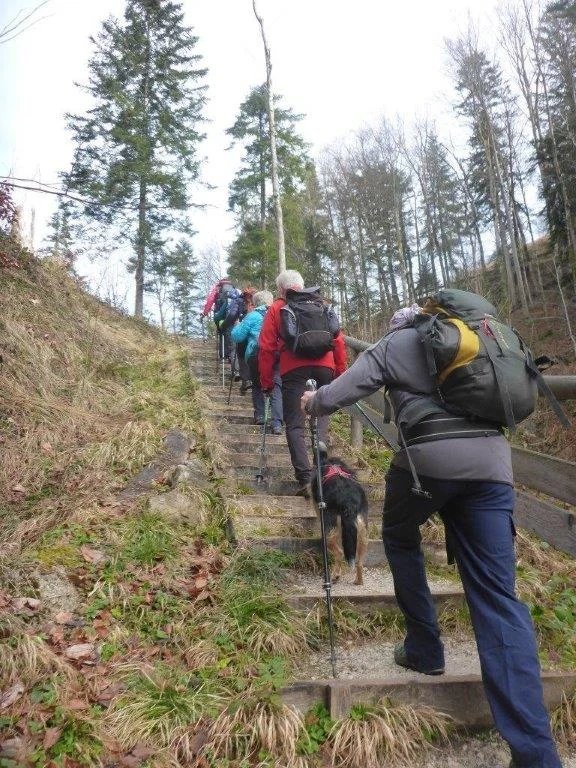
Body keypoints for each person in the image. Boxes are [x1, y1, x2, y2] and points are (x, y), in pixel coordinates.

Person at [300, 305, 563, 768]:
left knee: (399, 535)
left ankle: (425, 647)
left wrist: (312, 403)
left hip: (426, 464)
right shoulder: (477, 340)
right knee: (499, 597)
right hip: (492, 468)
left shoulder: (397, 342)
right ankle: (536, 753)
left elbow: (345, 387)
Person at [258, 269, 346, 497]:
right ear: (302, 285)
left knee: (295, 425)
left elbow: (266, 347)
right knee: (321, 418)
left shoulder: (278, 307)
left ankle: (306, 480)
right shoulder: (321, 304)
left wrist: (266, 382)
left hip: (293, 368)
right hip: (325, 366)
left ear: (281, 289)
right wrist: (340, 373)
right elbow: (338, 340)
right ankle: (323, 474)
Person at [231, 290, 283, 433]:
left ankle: (260, 415)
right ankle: (277, 422)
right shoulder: (280, 313)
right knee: (276, 386)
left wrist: (236, 325)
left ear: (255, 303)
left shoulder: (252, 316)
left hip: (256, 353)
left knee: (257, 384)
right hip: (277, 353)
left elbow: (237, 337)